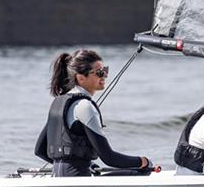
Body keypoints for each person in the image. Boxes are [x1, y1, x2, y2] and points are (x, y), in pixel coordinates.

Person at [34, 49, 152, 177]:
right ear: (81, 78)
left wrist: (86, 165)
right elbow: (109, 158)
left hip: (58, 178)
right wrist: (143, 161)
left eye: (105, 71)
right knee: (142, 172)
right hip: (78, 181)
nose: (104, 76)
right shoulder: (85, 106)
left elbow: (40, 151)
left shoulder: (58, 104)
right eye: (99, 73)